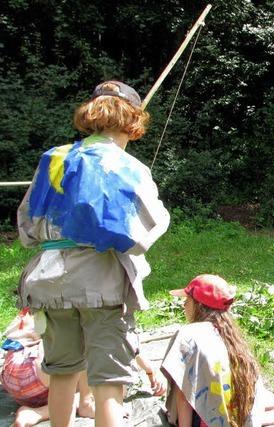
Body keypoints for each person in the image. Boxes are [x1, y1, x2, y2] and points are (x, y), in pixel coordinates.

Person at [16, 80, 170, 426]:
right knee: (108, 384)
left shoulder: (53, 158)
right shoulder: (131, 168)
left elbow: (26, 225)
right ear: (132, 123)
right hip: (101, 284)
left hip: (47, 282)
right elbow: (142, 234)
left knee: (62, 374)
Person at [161, 274, 274, 426]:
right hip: (239, 415)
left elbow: (183, 393)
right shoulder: (232, 337)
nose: (184, 305)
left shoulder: (189, 335)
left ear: (199, 305)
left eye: (187, 300)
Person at [1, 310, 164, 427]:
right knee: (90, 339)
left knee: (116, 387)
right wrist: (148, 368)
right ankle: (85, 404)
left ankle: (38, 413)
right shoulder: (87, 287)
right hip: (27, 366)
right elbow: (117, 335)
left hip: (23, 381)